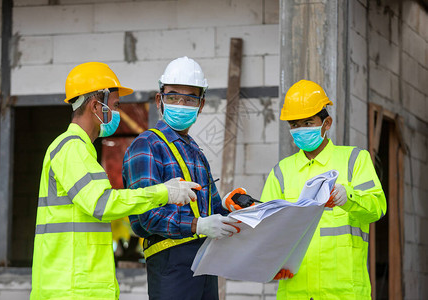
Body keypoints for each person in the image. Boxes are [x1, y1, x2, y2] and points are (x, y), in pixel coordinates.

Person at [30, 62, 201, 300]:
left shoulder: (80, 151)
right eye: (116, 105)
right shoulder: (71, 148)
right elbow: (103, 203)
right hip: (71, 288)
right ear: (95, 105)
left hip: (77, 285)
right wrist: (164, 192)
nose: (119, 113)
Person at [122, 56, 245, 300]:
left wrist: (240, 211)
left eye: (190, 98)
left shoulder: (195, 151)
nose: (181, 103)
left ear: (201, 105)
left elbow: (213, 210)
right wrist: (196, 225)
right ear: (160, 99)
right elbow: (144, 216)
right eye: (173, 96)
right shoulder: (147, 145)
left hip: (205, 261)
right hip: (170, 265)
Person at [260, 79, 387, 299]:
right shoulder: (281, 172)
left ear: (326, 123)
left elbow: (377, 208)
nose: (300, 130)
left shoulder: (355, 160)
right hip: (295, 292)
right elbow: (265, 228)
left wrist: (348, 197)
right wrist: (269, 264)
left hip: (344, 292)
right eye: (294, 125)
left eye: (308, 123)